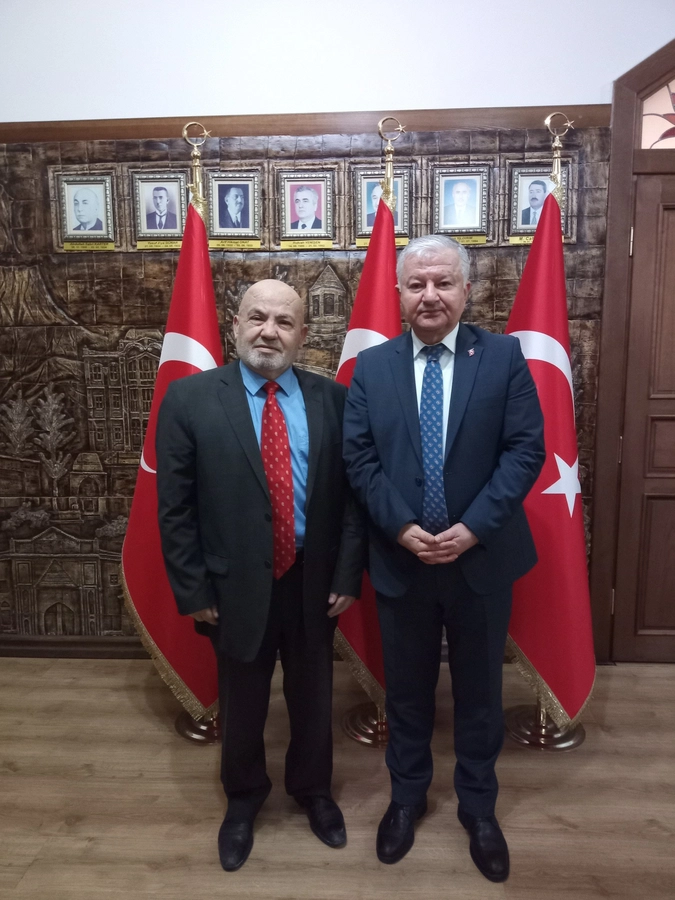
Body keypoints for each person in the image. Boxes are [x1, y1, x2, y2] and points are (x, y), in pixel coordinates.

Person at [343, 234, 545, 883]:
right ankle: (406, 799)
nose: (429, 295)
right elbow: (358, 459)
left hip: (479, 561)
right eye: (416, 284)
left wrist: (472, 528)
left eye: (443, 282)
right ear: (399, 293)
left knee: (480, 692)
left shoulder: (504, 356)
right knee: (405, 692)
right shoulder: (372, 367)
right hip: (401, 560)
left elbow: (525, 450)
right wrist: (402, 527)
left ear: (466, 289)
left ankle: (478, 808)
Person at [156, 279, 365, 873]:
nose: (268, 331)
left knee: (313, 697)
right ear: (236, 324)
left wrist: (348, 573)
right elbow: (175, 508)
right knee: (243, 701)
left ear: (303, 335)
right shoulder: (190, 399)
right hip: (231, 587)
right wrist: (194, 589)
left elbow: (352, 501)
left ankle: (313, 792)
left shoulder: (335, 401)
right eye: (257, 317)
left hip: (313, 581)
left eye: (284, 322)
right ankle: (243, 798)